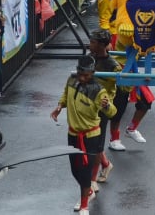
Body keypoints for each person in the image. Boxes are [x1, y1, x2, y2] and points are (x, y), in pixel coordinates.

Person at [51, 56, 116, 215]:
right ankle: (88, 191)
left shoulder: (99, 90)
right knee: (75, 170)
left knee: (85, 171)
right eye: (80, 73)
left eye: (86, 75)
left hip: (90, 135)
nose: (82, 77)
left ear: (92, 73)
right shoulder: (71, 80)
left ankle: (85, 205)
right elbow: (66, 95)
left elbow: (113, 111)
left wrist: (107, 106)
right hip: (73, 133)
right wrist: (60, 106)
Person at [87, 30, 119, 187]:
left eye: (92, 42)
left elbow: (123, 87)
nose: (89, 44)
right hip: (87, 106)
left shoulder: (113, 66)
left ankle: (92, 181)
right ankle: (106, 165)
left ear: (101, 45)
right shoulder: (90, 58)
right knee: (90, 143)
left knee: (96, 145)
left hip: (102, 109)